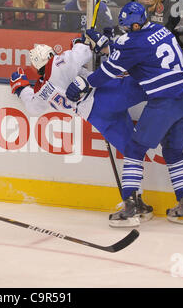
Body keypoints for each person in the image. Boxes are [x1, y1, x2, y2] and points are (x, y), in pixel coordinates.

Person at [66, 2, 183, 226]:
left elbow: (110, 70)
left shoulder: (134, 42)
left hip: (165, 103)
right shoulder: (160, 29)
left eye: (128, 27)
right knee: (174, 151)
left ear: (136, 24)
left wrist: (86, 82)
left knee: (135, 150)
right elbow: (135, 49)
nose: (126, 30)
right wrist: (107, 44)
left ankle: (130, 208)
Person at [9, 41, 157, 225]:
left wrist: (22, 88)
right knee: (150, 83)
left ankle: (133, 204)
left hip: (94, 115)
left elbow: (31, 106)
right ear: (49, 56)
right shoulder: (57, 64)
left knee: (132, 152)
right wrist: (81, 42)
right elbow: (83, 53)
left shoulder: (40, 90)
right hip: (105, 97)